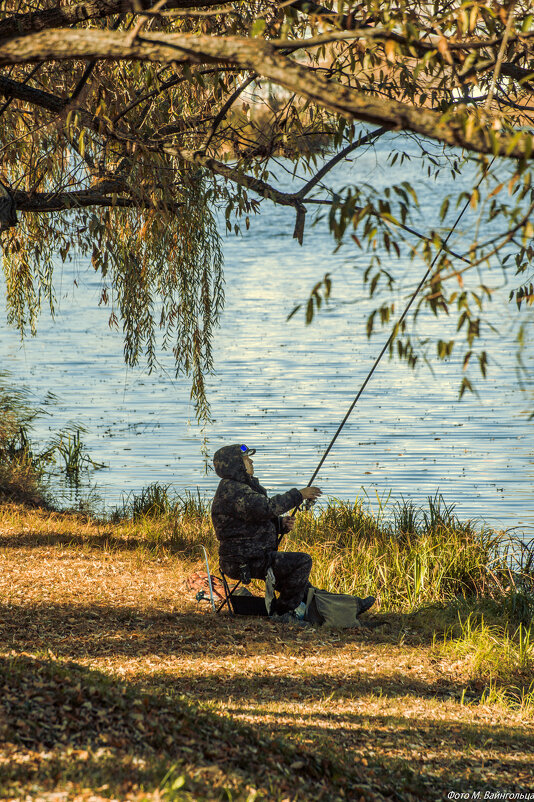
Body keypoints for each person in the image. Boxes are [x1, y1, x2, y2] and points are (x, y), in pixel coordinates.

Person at [211, 443, 321, 616]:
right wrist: (299, 495)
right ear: (236, 466)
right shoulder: (235, 491)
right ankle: (282, 612)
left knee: (302, 585)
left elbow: (253, 519)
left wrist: (279, 525)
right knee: (302, 561)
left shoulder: (237, 488)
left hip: (250, 557)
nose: (251, 461)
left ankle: (344, 605)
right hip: (244, 562)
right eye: (246, 459)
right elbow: (267, 508)